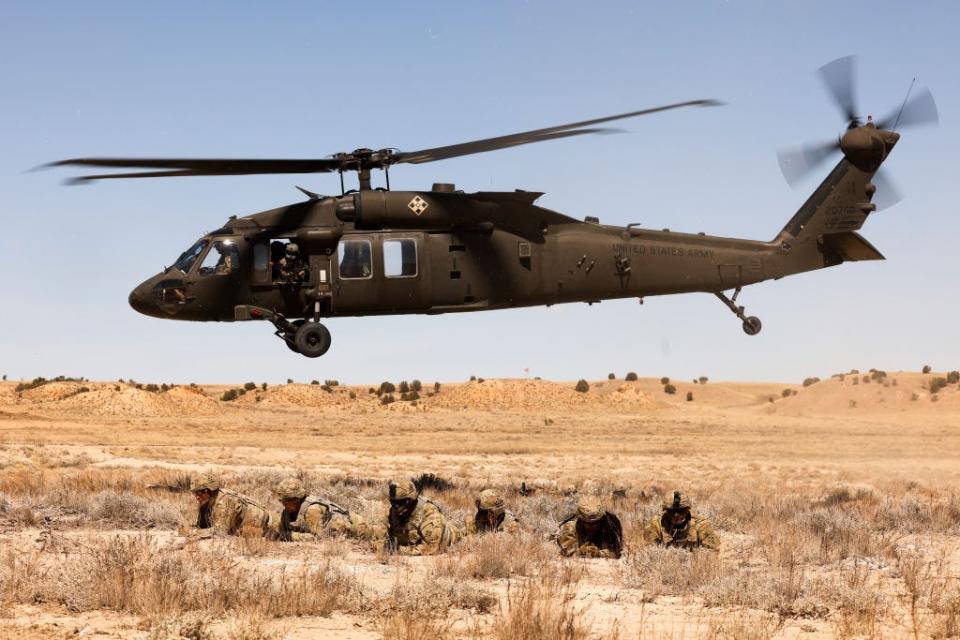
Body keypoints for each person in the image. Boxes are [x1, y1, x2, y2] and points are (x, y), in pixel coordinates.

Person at [269, 477, 371, 541]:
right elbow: (281, 533)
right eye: (282, 501)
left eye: (285, 501)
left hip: (357, 528)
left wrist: (291, 536)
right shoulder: (287, 512)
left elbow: (318, 538)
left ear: (296, 499)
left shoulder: (312, 510)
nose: (282, 504)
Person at [384, 479, 460, 555]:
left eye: (401, 502)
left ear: (411, 500)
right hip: (413, 543)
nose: (396, 506)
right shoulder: (395, 511)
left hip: (448, 538)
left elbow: (430, 548)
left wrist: (399, 550)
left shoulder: (429, 513)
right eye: (393, 502)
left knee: (463, 533)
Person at [190, 472, 269, 538]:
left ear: (209, 491)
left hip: (267, 527)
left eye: (199, 493)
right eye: (195, 493)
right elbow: (202, 526)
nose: (197, 497)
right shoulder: (206, 502)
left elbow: (220, 531)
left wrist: (195, 532)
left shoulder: (224, 502)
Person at [642, 490, 720, 551]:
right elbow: (648, 552)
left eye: (681, 510)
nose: (676, 515)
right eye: (672, 511)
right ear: (666, 511)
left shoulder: (701, 524)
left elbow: (714, 551)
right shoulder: (656, 525)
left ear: (688, 510)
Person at [556, 496, 623, 558]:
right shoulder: (571, 528)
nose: (592, 526)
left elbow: (615, 552)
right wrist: (581, 551)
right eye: (587, 524)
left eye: (596, 523)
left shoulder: (608, 527)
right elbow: (568, 553)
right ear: (581, 520)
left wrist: (598, 553)